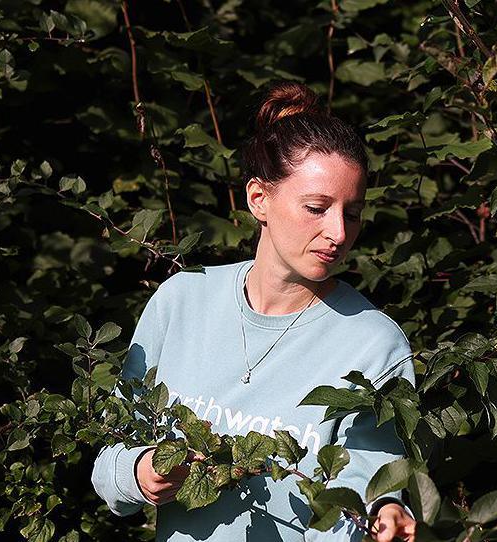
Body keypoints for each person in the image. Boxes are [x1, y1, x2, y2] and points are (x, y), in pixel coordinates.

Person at [91, 80, 417, 542]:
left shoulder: (374, 343)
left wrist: (383, 510)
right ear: (259, 199)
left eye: (353, 212)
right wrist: (141, 470)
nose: (339, 232)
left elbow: (369, 478)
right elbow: (111, 456)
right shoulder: (182, 301)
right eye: (317, 207)